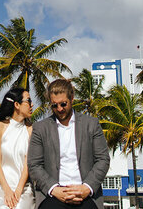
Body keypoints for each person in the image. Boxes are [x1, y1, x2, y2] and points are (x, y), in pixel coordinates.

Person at [27, 79, 110, 209]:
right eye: (54, 105)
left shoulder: (91, 124)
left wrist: (86, 188)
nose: (59, 109)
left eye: (63, 104)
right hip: (53, 195)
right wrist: (54, 189)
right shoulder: (40, 128)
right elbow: (34, 164)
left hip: (86, 194)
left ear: (72, 98)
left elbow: (103, 159)